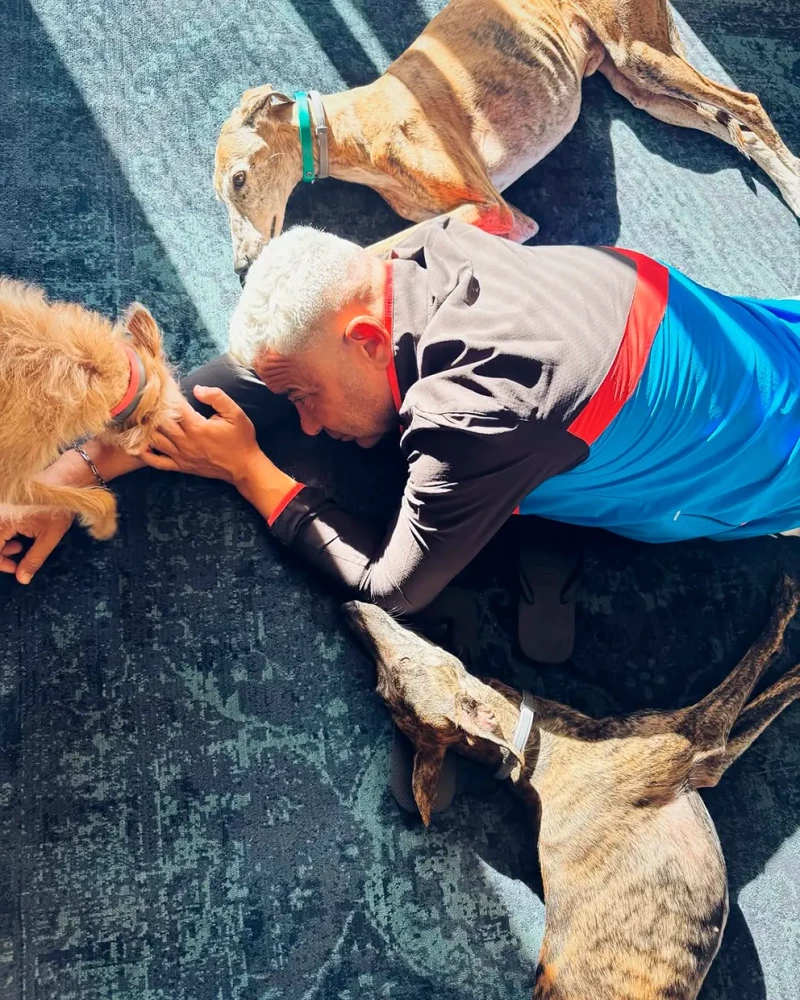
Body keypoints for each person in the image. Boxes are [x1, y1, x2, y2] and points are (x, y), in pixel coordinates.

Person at [4, 218, 800, 642]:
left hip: (765, 470)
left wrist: (252, 471)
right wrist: (70, 476)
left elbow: (398, 586)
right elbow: (252, 377)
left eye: (309, 397)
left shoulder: (477, 412)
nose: (304, 420)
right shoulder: (423, 250)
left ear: (366, 340)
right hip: (758, 339)